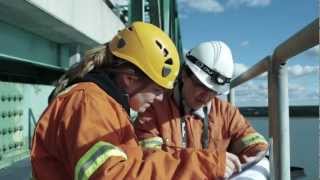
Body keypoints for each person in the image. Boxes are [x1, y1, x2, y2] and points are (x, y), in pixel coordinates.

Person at [31, 22, 234, 180]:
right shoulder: (89, 104)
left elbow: (128, 165)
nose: (160, 98)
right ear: (130, 79)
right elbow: (112, 175)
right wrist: (203, 165)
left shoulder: (107, 105)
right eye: (156, 89)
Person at [134, 41, 269, 178]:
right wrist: (206, 163)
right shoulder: (153, 110)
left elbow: (255, 144)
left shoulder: (226, 113)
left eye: (214, 91)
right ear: (184, 74)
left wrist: (253, 158)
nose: (207, 96)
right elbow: (149, 162)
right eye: (201, 86)